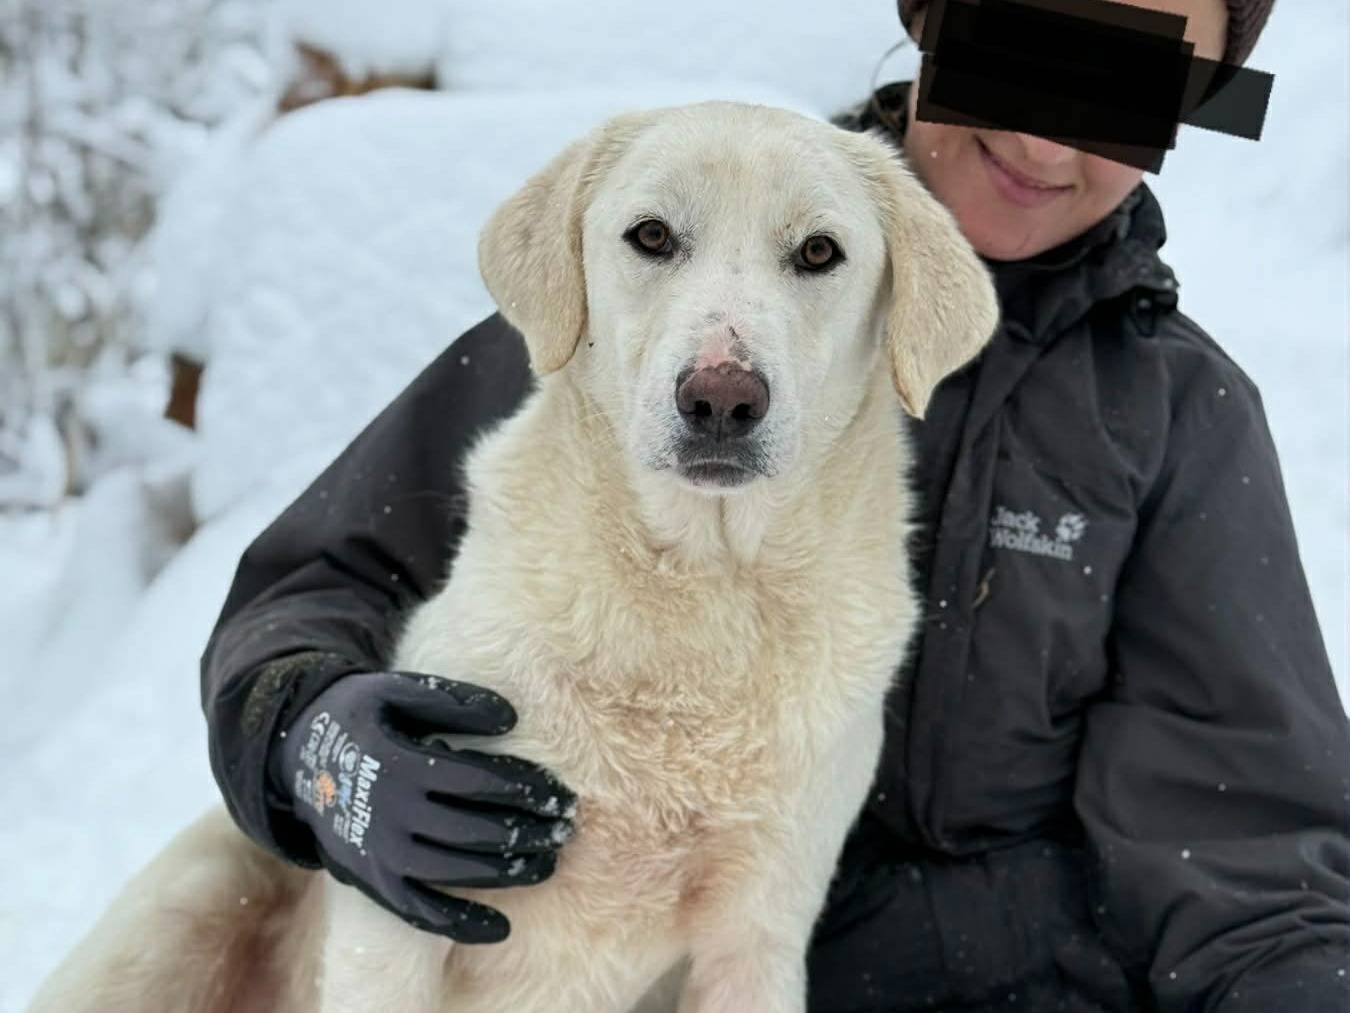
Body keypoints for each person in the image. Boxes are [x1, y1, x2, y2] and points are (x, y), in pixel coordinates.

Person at [200, 0, 1350, 1009]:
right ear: (937, 18)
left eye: (1131, 88)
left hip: (962, 984)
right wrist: (308, 737)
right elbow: (323, 583)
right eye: (1030, 46)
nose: (1051, 137)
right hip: (576, 969)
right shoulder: (639, 299)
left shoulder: (1171, 416)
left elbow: (1245, 839)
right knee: (208, 883)